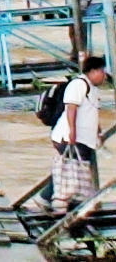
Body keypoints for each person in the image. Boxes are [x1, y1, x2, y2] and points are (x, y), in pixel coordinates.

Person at [36, 55, 109, 209]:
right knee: (72, 167)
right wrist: (72, 132)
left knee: (70, 168)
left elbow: (91, 113)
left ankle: (52, 198)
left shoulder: (92, 89)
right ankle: (59, 200)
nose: (104, 76)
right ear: (94, 71)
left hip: (83, 137)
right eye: (102, 72)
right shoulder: (78, 85)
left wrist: (98, 132)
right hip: (69, 136)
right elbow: (71, 108)